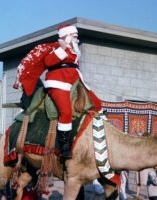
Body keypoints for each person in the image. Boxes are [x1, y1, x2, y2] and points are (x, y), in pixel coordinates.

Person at [13, 24, 102, 160]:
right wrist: (62, 48)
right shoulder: (56, 47)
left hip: (75, 80)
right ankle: (64, 146)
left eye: (76, 35)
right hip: (58, 82)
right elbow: (49, 62)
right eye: (73, 35)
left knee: (97, 103)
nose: (76, 37)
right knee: (65, 112)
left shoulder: (74, 50)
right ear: (65, 36)